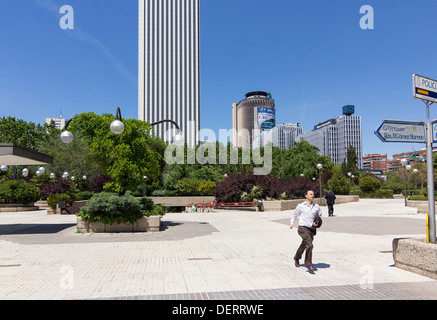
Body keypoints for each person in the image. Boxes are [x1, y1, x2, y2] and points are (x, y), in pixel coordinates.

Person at [289, 190, 322, 272]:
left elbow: (319, 217)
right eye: (310, 194)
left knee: (304, 245)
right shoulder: (301, 206)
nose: (312, 195)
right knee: (310, 245)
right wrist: (291, 223)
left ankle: (296, 257)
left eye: (313, 194)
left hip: (311, 229)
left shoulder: (316, 207)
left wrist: (316, 223)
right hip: (302, 228)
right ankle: (309, 263)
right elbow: (294, 214)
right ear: (306, 196)